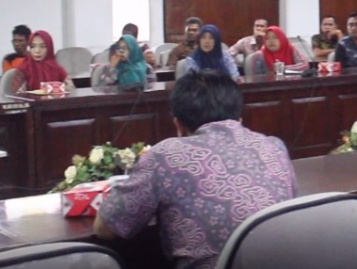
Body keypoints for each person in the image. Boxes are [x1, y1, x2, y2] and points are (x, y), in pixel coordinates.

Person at [95, 71, 297, 268]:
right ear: (239, 119)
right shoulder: (274, 146)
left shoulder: (164, 156)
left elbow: (106, 228)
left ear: (178, 125)